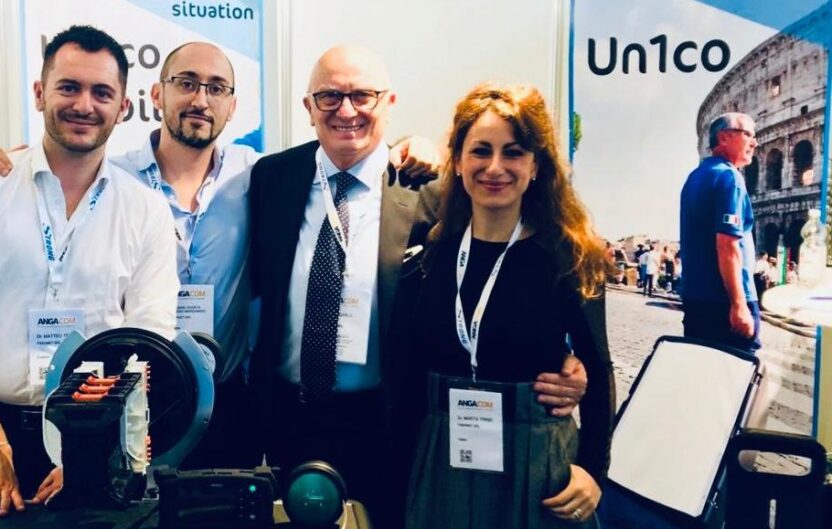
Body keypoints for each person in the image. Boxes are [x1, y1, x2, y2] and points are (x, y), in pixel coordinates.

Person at [0, 41, 442, 471]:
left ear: (232, 106)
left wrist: (415, 147)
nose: (200, 99)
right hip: (125, 396)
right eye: (186, 83)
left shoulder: (257, 175)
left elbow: (354, 156)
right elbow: (56, 167)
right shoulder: (110, 181)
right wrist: (5, 161)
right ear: (155, 95)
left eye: (215, 88)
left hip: (229, 403)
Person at [248, 46, 590, 527]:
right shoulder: (271, 178)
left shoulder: (431, 192)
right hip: (288, 416)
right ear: (309, 107)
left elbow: (494, 282)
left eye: (362, 95)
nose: (346, 110)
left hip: (387, 423)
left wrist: (561, 362)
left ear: (389, 103)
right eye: (329, 96)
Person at [0, 26, 178, 528]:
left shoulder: (144, 209)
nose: (84, 105)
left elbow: (148, 339)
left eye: (102, 93)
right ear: (40, 94)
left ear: (123, 107)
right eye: (69, 87)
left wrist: (95, 447)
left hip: (97, 433)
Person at [401, 82, 614, 528]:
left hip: (536, 461)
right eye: (481, 151)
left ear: (535, 166)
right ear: (458, 162)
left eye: (513, 153)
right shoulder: (431, 253)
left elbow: (598, 368)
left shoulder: (569, 257)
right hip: (441, 454)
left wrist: (593, 472)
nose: (495, 167)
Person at [679, 112, 760, 352]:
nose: (755, 143)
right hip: (724, 301)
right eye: (748, 135)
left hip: (697, 299)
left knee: (702, 366)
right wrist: (739, 304)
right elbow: (727, 245)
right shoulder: (729, 177)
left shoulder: (695, 177)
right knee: (737, 369)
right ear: (724, 137)